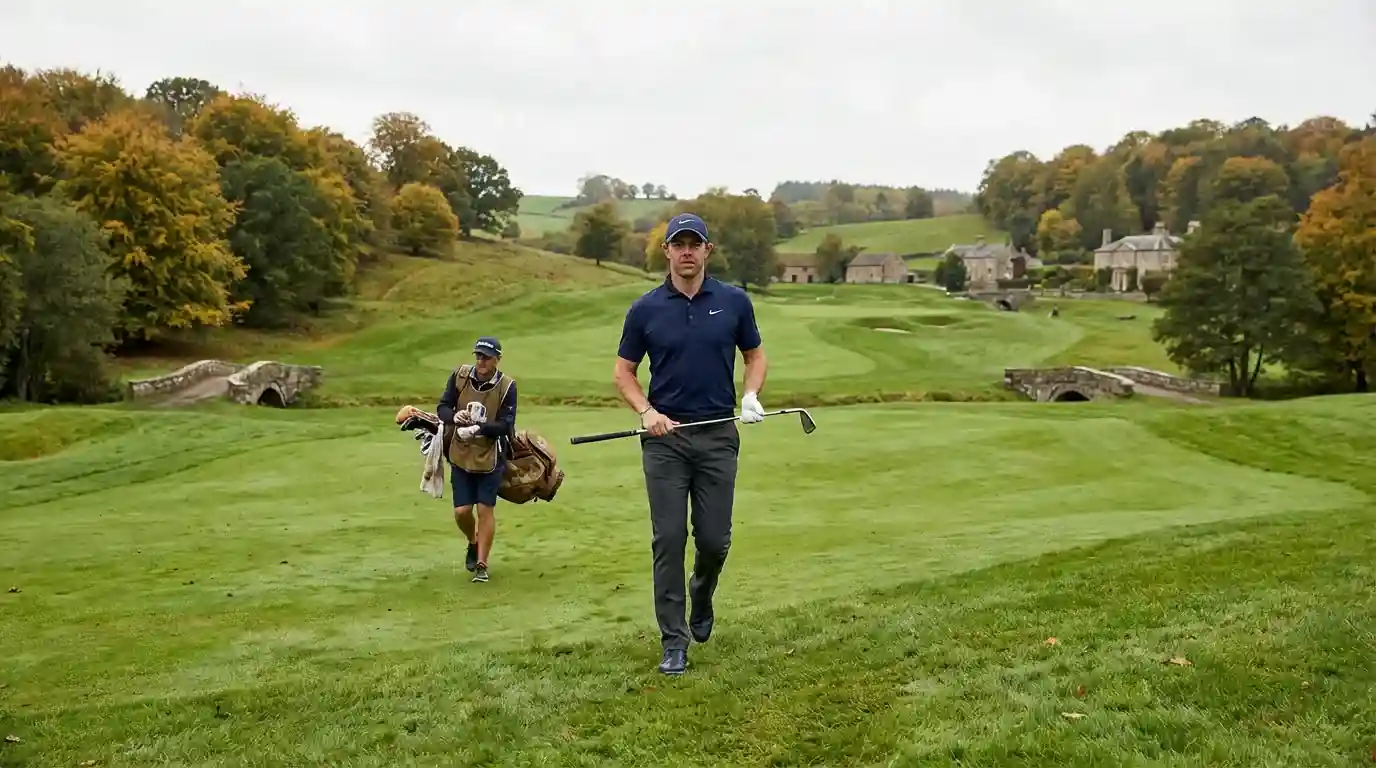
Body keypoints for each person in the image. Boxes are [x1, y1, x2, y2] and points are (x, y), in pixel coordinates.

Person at [612, 212, 769, 676]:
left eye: (693, 244)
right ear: (666, 251)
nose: (686, 251)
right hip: (665, 441)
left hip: (719, 436)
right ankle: (673, 640)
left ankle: (702, 590)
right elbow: (624, 372)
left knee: (715, 541)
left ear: (707, 250)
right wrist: (647, 412)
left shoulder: (734, 301)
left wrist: (752, 395)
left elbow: (755, 355)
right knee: (669, 539)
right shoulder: (645, 309)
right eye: (677, 244)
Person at [436, 336, 518, 584]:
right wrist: (455, 416)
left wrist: (479, 428)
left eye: (487, 357)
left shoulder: (507, 386)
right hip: (460, 454)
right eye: (478, 356)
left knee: (485, 509)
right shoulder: (460, 376)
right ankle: (473, 542)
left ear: (497, 360)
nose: (481, 361)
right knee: (462, 512)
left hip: (490, 457)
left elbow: (506, 425)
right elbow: (442, 407)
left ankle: (482, 564)